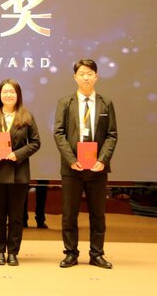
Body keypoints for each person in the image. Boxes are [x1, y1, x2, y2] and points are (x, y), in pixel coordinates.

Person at [54, 59, 117, 269]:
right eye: (82, 73)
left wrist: (102, 160)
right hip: (72, 168)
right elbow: (59, 133)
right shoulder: (65, 102)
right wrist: (71, 160)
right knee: (69, 214)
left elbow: (112, 134)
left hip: (98, 168)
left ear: (96, 76)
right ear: (75, 77)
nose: (86, 77)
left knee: (98, 214)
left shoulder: (106, 102)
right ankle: (70, 253)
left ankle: (96, 254)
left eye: (90, 73)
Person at [0, 79, 40, 266]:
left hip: (18, 174)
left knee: (16, 216)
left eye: (12, 92)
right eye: (5, 92)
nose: (8, 95)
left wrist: (18, 154)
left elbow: (35, 142)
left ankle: (13, 252)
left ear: (18, 95)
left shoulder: (26, 116)